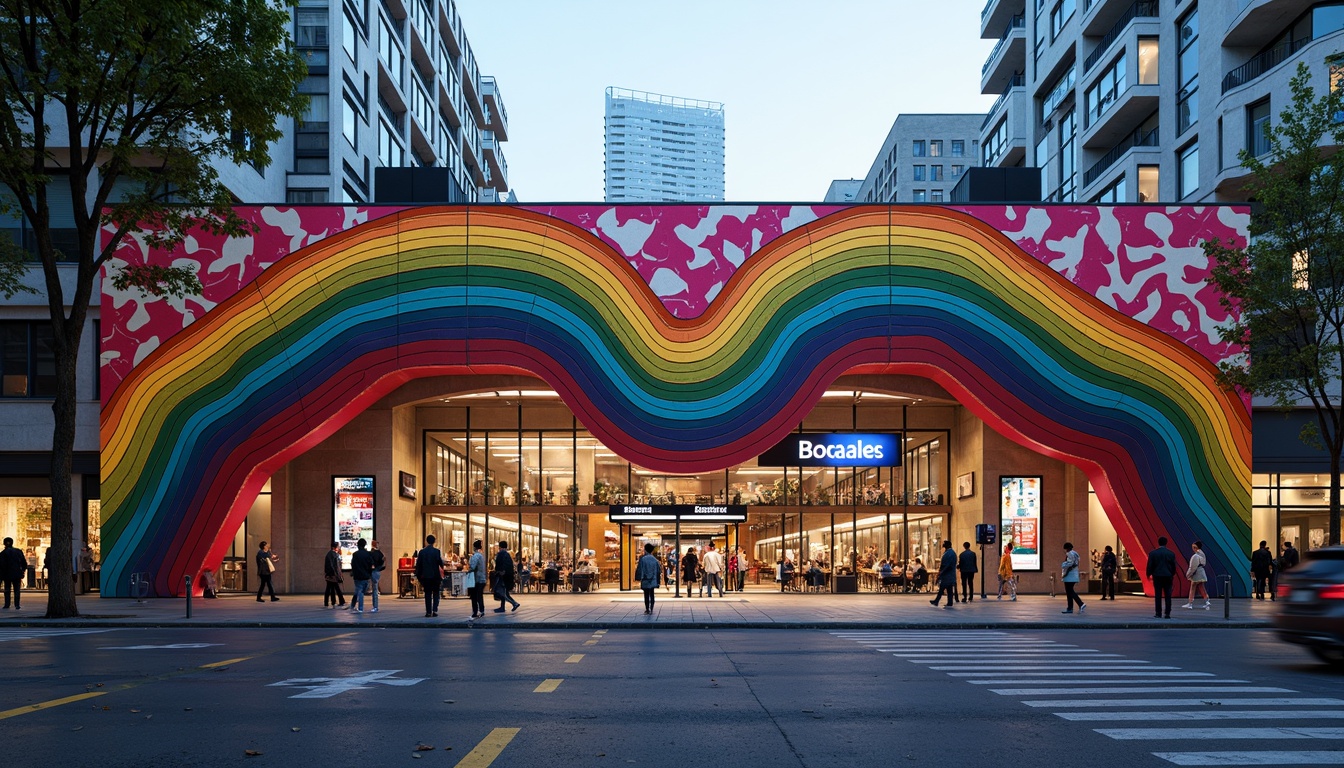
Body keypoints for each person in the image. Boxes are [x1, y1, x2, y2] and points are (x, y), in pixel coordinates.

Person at [1147, 536, 1177, 619]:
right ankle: (1167, 613)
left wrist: (1148, 574)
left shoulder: (1153, 553)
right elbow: (1174, 566)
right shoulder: (1171, 553)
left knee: (1158, 595)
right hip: (1168, 576)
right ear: (1166, 543)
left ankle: (1158, 613)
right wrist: (1172, 574)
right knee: (1168, 595)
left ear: (1158, 543)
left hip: (1157, 576)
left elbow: (1150, 565)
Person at [415, 534, 444, 617]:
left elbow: (418, 565)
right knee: (436, 593)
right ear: (434, 542)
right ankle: (435, 610)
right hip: (435, 576)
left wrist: (419, 575)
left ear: (426, 541)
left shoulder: (422, 552)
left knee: (427, 594)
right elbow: (440, 563)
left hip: (425, 576)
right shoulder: (436, 552)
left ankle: (428, 611)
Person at [492, 541, 521, 612]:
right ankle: (502, 607)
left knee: (499, 591)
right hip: (508, 576)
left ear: (500, 547)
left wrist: (498, 572)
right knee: (504, 591)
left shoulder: (500, 554)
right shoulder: (508, 555)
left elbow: (498, 565)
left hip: (502, 576)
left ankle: (514, 603)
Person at [635, 542, 662, 614]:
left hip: (645, 579)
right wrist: (658, 580)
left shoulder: (643, 559)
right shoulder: (655, 560)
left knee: (646, 594)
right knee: (652, 593)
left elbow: (639, 569)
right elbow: (658, 571)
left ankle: (647, 608)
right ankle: (652, 607)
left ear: (645, 550)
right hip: (653, 579)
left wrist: (638, 577)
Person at [1183, 540, 1210, 610]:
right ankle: (1206, 601)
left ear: (1196, 547)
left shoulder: (1195, 556)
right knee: (1201, 587)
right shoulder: (1202, 555)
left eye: (1193, 547)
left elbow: (1192, 567)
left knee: (1193, 587)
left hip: (1197, 573)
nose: (1193, 549)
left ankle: (1190, 603)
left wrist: (1188, 574)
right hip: (1201, 572)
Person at [348, 538, 373, 614]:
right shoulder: (368, 554)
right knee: (361, 592)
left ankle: (354, 606)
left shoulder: (355, 554)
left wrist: (353, 572)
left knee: (358, 591)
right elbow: (370, 565)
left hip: (357, 576)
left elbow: (353, 564)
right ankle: (359, 608)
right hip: (365, 575)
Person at [931, 540, 958, 608]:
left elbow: (947, 565)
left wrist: (941, 573)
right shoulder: (950, 553)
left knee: (942, 588)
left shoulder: (949, 553)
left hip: (947, 574)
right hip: (949, 574)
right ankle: (949, 602)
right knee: (949, 589)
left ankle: (937, 601)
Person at [0, 537, 26, 609]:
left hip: (7, 574)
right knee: (17, 590)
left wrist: (1, 576)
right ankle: (17, 604)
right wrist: (22, 571)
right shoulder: (18, 551)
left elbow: (1, 565)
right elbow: (24, 563)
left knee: (7, 589)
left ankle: (7, 604)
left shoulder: (3, 553)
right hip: (17, 574)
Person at [1060, 542, 1085, 614]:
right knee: (1070, 591)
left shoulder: (1069, 554)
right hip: (1074, 575)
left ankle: (1080, 604)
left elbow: (1070, 563)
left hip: (1069, 575)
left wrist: (1063, 564)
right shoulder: (1075, 553)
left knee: (1069, 591)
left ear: (1066, 548)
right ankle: (1070, 607)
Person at [468, 539, 487, 619]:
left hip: (476, 579)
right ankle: (482, 610)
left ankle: (475, 611)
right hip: (482, 578)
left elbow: (472, 567)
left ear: (474, 547)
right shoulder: (481, 556)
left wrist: (469, 569)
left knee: (474, 596)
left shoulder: (475, 556)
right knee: (479, 595)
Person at [323, 541, 344, 608]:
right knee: (335, 588)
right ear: (335, 547)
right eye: (338, 546)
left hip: (329, 575)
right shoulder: (334, 555)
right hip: (333, 575)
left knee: (330, 588)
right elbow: (336, 566)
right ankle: (340, 601)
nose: (339, 548)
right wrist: (338, 574)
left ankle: (330, 602)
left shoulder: (329, 554)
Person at [367, 539, 385, 613]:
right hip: (377, 571)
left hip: (370, 571)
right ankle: (375, 606)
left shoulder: (371, 553)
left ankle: (357, 602)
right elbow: (382, 561)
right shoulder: (379, 553)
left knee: (362, 588)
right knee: (375, 588)